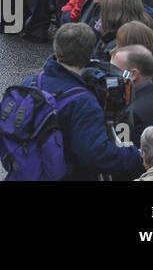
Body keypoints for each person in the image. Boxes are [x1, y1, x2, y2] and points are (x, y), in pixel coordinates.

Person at [24, 23, 143, 180]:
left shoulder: (29, 84)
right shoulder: (84, 102)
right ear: (89, 55)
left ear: (56, 51)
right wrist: (135, 155)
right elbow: (97, 155)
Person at [112, 43, 153, 146]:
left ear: (133, 74)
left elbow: (121, 153)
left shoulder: (130, 113)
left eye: (115, 71)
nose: (110, 77)